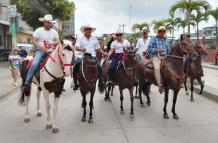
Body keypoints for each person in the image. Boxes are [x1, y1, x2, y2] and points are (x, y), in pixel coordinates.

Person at [24, 14, 60, 91]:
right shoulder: (38, 30)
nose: (49, 24)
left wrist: (53, 43)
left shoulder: (54, 32)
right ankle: (27, 81)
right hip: (40, 51)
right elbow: (34, 40)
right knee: (34, 63)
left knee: (61, 62)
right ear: (44, 22)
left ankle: (60, 81)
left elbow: (58, 40)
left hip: (52, 52)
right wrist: (41, 47)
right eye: (48, 22)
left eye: (50, 22)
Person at [73, 24, 107, 90]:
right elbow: (76, 47)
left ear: (91, 31)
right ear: (84, 30)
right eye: (87, 29)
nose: (89, 31)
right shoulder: (80, 38)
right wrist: (81, 49)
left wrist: (104, 53)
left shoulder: (94, 39)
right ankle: (75, 83)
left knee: (99, 67)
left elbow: (98, 49)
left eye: (90, 29)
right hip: (83, 56)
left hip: (92, 56)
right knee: (75, 66)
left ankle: (101, 82)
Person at [148, 26, 170, 94]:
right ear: (158, 32)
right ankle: (160, 85)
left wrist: (167, 55)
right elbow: (149, 48)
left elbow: (169, 49)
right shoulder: (153, 39)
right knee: (157, 68)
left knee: (173, 66)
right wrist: (157, 50)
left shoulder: (166, 40)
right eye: (161, 31)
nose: (162, 33)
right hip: (156, 57)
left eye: (164, 31)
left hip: (165, 57)